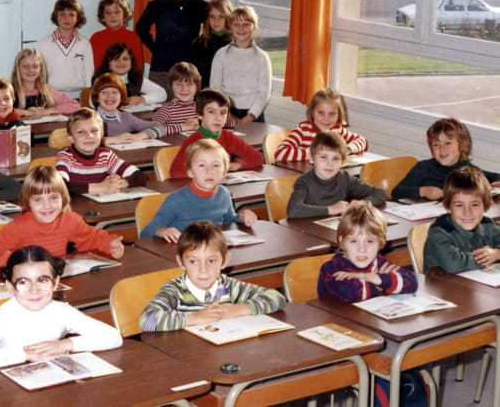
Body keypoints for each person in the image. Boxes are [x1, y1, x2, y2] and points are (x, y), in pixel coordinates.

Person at [0, 245, 122, 369]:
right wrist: (28, 355)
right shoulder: (2, 316)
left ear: (55, 283)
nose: (34, 290)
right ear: (10, 286)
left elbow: (113, 337)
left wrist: (66, 344)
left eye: (43, 280)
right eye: (23, 282)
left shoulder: (61, 311)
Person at [139, 221, 286, 331]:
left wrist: (241, 309)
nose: (203, 269)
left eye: (211, 261)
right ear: (181, 262)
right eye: (193, 261)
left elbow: (277, 298)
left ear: (224, 261)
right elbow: (147, 321)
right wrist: (194, 318)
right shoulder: (174, 291)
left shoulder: (229, 286)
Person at [0, 165, 125, 273]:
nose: (47, 206)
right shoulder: (19, 227)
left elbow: (91, 238)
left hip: (55, 279)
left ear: (63, 198)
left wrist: (109, 244)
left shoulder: (70, 220)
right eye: (38, 200)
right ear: (28, 202)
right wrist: (20, 262)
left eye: (53, 198)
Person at [141, 139, 257, 241]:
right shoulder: (176, 200)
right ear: (190, 172)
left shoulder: (223, 193)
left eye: (216, 165)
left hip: (212, 248)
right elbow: (145, 232)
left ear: (225, 171)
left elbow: (229, 220)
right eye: (202, 165)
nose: (209, 171)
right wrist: (161, 231)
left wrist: (242, 217)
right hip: (185, 252)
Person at [317, 201, 417, 302]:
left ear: (380, 242)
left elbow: (413, 282)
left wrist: (372, 277)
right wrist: (379, 282)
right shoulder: (331, 268)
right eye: (354, 241)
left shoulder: (379, 263)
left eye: (370, 241)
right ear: (342, 241)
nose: (362, 249)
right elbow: (350, 293)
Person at [135, 0, 208, 91]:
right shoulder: (157, 5)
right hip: (161, 69)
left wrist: (200, 50)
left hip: (190, 71)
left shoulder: (200, 6)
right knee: (159, 103)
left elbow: (214, 29)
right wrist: (155, 48)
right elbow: (141, 28)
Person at [392, 117, 500, 201]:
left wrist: (496, 182)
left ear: (461, 146)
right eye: (436, 145)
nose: (442, 149)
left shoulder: (468, 170)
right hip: (427, 219)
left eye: (448, 143)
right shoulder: (423, 168)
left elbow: (492, 176)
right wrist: (423, 191)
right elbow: (397, 192)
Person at [287, 131, 386, 218]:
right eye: (323, 157)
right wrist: (331, 209)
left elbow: (379, 193)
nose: (329, 163)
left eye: (335, 158)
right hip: (309, 230)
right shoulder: (304, 182)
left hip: (337, 228)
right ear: (311, 158)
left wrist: (363, 203)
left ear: (343, 162)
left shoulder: (344, 178)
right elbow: (293, 210)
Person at [169, 89, 263, 178]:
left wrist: (238, 164)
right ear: (200, 114)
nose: (218, 118)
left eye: (223, 113)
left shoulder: (229, 137)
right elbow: (176, 171)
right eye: (211, 112)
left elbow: (258, 157)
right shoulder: (193, 141)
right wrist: (209, 170)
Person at [423, 166, 500, 273]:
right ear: (448, 207)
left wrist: (496, 253)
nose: (467, 212)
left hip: (474, 281)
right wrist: (486, 257)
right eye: (459, 205)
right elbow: (453, 263)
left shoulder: (487, 225)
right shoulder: (439, 231)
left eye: (474, 205)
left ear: (485, 206)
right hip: (441, 283)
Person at [55, 107, 147, 195]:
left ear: (102, 133)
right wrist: (100, 187)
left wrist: (119, 184)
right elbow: (59, 186)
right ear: (71, 137)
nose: (89, 136)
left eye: (94, 130)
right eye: (81, 132)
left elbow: (139, 176)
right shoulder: (65, 157)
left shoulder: (106, 155)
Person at [209, 5, 271, 123]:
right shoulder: (221, 54)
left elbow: (264, 93)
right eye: (236, 24)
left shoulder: (262, 57)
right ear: (230, 27)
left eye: (246, 24)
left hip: (254, 114)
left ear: (254, 27)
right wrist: (225, 114)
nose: (241, 28)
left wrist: (251, 116)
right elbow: (215, 88)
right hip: (226, 112)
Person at [274, 88, 367, 162]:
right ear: (312, 112)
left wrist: (348, 149)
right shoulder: (303, 130)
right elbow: (280, 153)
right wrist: (316, 154)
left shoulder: (337, 130)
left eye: (332, 114)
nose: (326, 118)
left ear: (339, 115)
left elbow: (361, 140)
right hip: (306, 176)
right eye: (321, 113)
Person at [37, 0, 94, 99]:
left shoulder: (85, 43)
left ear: (78, 17)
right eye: (62, 14)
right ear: (56, 16)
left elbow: (89, 72)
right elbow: (40, 73)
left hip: (79, 96)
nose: (67, 18)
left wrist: (87, 96)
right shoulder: (44, 44)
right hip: (52, 96)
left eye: (71, 14)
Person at [90, 73, 166, 145]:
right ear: (96, 97)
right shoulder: (89, 118)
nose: (109, 96)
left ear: (121, 97)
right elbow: (84, 140)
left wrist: (139, 136)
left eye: (114, 92)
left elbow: (160, 127)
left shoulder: (126, 118)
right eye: (104, 92)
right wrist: (113, 140)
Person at [11, 48, 80, 116]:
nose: (31, 70)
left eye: (35, 66)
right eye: (25, 66)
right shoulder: (10, 90)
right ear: (17, 68)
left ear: (41, 69)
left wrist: (48, 111)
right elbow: (4, 110)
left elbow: (75, 105)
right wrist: (26, 113)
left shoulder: (47, 90)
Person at [92, 42, 166, 105]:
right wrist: (125, 100)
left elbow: (162, 93)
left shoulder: (136, 78)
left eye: (125, 59)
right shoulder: (102, 79)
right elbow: (95, 100)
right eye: (116, 59)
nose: (121, 62)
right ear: (108, 64)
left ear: (131, 63)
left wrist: (142, 99)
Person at [89, 0, 143, 71]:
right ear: (103, 17)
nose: (113, 16)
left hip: (126, 77)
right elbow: (94, 66)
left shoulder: (133, 37)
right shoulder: (96, 38)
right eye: (108, 12)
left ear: (124, 15)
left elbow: (138, 67)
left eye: (117, 12)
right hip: (103, 77)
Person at [190, 0, 232, 86]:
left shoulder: (233, 43)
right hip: (205, 89)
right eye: (212, 17)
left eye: (221, 16)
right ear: (207, 19)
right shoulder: (200, 42)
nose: (216, 21)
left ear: (228, 18)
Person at [152, 62, 202, 135]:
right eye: (178, 84)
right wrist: (183, 127)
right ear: (171, 86)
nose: (184, 89)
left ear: (197, 87)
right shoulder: (167, 109)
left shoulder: (202, 108)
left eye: (189, 84)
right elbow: (153, 129)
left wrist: (201, 124)